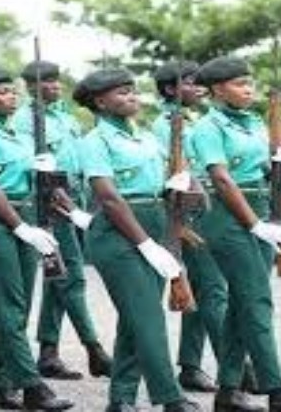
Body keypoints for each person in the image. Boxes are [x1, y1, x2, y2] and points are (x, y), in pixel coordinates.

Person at [190, 55, 281, 412]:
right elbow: (221, 178)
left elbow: (265, 169)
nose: (249, 89)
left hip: (260, 210)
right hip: (227, 216)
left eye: (250, 83)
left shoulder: (253, 122)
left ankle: (228, 391)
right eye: (239, 84)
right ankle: (278, 390)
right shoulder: (207, 127)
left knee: (241, 304)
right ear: (218, 90)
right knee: (257, 302)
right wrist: (254, 224)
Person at [74, 67, 201, 412]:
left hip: (155, 222)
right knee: (148, 318)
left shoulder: (145, 137)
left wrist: (177, 183)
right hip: (118, 233)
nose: (132, 96)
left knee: (135, 319)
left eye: (133, 90)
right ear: (100, 102)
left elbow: (167, 179)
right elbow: (109, 198)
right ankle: (170, 398)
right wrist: (145, 244)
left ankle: (121, 399)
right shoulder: (94, 141)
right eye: (122, 92)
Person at [0, 68, 74, 411]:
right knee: (8, 309)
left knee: (17, 310)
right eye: (2, 92)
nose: (11, 96)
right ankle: (32, 386)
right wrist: (19, 227)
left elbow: (43, 186)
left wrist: (54, 183)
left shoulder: (23, 136)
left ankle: (2, 388)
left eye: (13, 91)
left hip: (27, 216)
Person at [13, 59, 111, 381]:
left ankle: (48, 352)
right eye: (46, 81)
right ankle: (94, 348)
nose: (54, 85)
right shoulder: (23, 121)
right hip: (48, 201)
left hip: (73, 198)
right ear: (30, 86)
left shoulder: (66, 118)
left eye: (57, 80)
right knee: (71, 277)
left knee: (58, 278)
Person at [151, 60, 225, 394]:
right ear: (170, 89)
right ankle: (235, 366)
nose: (199, 88)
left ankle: (191, 365)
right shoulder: (165, 125)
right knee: (213, 289)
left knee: (199, 289)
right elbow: (173, 173)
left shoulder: (192, 119)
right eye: (190, 83)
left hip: (203, 208)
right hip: (185, 211)